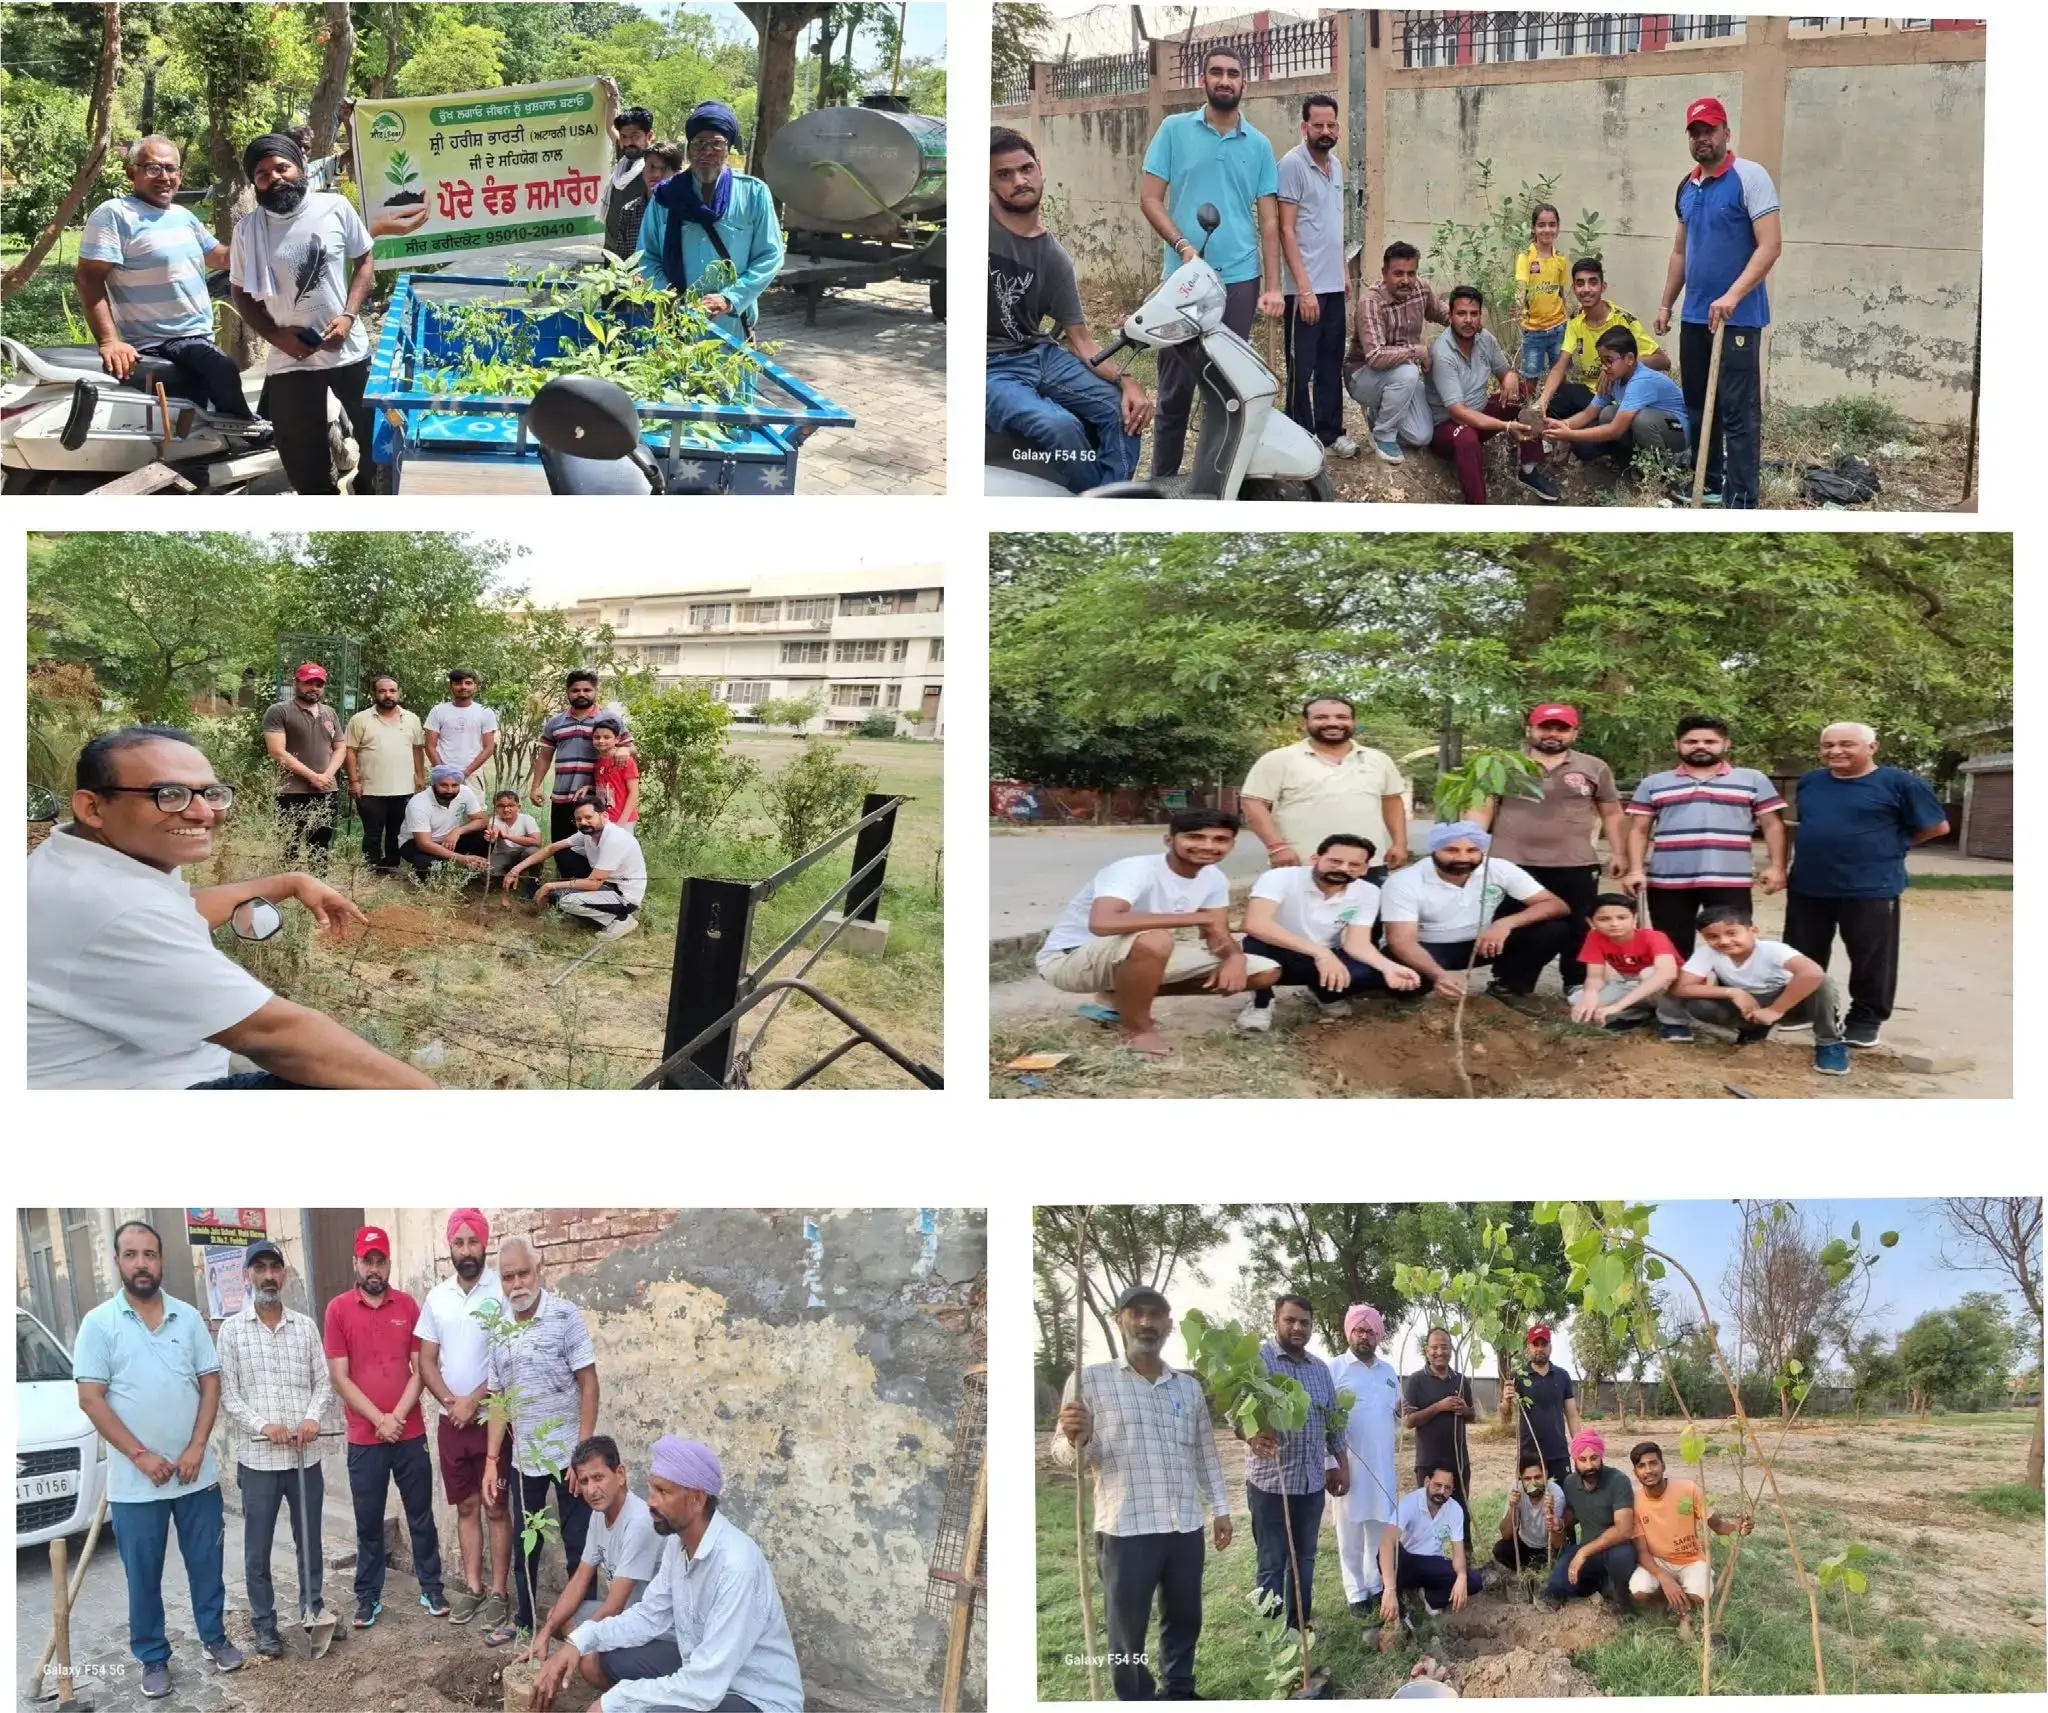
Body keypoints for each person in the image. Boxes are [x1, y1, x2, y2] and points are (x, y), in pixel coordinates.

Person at [26, 726, 433, 1089]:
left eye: (211, 793)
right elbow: (274, 1035)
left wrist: (290, 882)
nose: (202, 812)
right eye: (167, 795)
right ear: (92, 807)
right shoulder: (118, 908)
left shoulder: (76, 861)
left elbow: (180, 909)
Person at [73, 1220, 243, 1699]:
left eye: (150, 1254)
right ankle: (152, 1657)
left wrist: (195, 1447)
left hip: (196, 1475)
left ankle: (214, 1637)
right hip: (136, 1482)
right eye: (132, 1255)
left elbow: (210, 1383)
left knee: (206, 1564)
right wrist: (141, 1456)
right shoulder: (99, 1324)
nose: (142, 1264)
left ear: (162, 1261)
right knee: (142, 1574)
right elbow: (92, 1399)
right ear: (118, 1262)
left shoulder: (187, 1319)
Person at [1052, 1284, 1231, 1702]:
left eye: (1156, 1315)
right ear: (1121, 1321)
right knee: (1127, 1630)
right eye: (1138, 1314)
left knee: (1185, 1617)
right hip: (1125, 1528)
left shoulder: (1186, 1388)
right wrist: (1077, 1436)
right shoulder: (1088, 1381)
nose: (1147, 1323)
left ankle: (1180, 1690)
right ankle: (1135, 1700)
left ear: (1169, 1325)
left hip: (1184, 1524)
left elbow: (1205, 1453)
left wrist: (1221, 1509)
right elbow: (1065, 1455)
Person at [537, 1438, 804, 1713]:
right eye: (652, 1488)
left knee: (646, 1708)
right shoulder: (678, 1546)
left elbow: (704, 1686)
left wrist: (618, 1699)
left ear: (697, 1499)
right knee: (605, 1662)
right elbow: (648, 1616)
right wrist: (579, 1641)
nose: (651, 1501)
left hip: (753, 1697)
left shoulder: (736, 1566)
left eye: (663, 1492)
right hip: (702, 1670)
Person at [1139, 44, 1282, 479]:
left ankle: (1213, 483)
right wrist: (1183, 244)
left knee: (1227, 389)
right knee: (1175, 391)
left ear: (1244, 83)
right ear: (1203, 80)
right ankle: (1162, 482)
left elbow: (1270, 219)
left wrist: (1274, 286)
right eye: (1216, 72)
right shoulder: (1173, 130)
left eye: (1232, 73)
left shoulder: (1258, 145)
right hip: (1184, 280)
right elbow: (1149, 198)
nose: (1224, 80)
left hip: (1240, 279)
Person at [1033, 808, 1281, 1060]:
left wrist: (1234, 958)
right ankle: (1139, 1029)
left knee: (1263, 972)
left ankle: (1121, 996)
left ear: (1232, 844)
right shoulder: (1134, 869)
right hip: (1069, 960)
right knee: (1156, 939)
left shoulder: (1213, 878)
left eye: (1220, 839)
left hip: (1130, 957)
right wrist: (1196, 917)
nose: (1208, 846)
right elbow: (1103, 922)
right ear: (1169, 840)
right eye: (1195, 837)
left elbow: (1216, 932)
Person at [988, 128, 1149, 492]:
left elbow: (1082, 343)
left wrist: (1128, 382)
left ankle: (1111, 499)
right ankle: (1097, 507)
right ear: (990, 183)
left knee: (1121, 411)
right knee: (1059, 425)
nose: (1019, 180)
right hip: (988, 367)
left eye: (1025, 169)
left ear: (1040, 169)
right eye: (1003, 174)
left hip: (1041, 355)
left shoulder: (1054, 258)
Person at [1782, 722, 1949, 1049]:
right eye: (1827, 745)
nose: (1835, 751)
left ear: (1872, 747)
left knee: (1871, 958)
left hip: (1871, 886)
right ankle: (1803, 1007)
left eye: (1846, 744)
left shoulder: (1902, 783)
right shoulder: (1811, 782)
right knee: (1803, 952)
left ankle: (1865, 1019)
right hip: (1809, 883)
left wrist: (1895, 845)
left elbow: (1937, 826)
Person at [230, 133, 377, 494]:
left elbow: (365, 260)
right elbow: (241, 294)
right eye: (262, 174)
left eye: (282, 167)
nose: (274, 177)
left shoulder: (335, 207)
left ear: (300, 168)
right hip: (289, 359)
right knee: (303, 463)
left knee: (378, 450)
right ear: (255, 183)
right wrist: (277, 337)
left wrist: (348, 316)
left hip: (348, 351)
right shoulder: (247, 230)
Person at [1655, 96, 1782, 508]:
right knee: (1696, 408)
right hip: (1695, 318)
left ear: (1726, 132)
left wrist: (1732, 295)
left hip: (1738, 319)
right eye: (1695, 132)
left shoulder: (1750, 177)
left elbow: (1770, 246)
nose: (1702, 138)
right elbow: (1681, 252)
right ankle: (1708, 484)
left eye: (1709, 129)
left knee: (1737, 412)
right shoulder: (1687, 186)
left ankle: (1742, 498)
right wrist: (1666, 304)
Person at [216, 1238, 337, 1657]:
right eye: (260, 1268)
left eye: (275, 1268)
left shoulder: (304, 1326)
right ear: (248, 1275)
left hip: (305, 1457)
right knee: (258, 1549)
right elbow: (228, 1395)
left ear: (283, 1275)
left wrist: (311, 1418)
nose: (268, 1275)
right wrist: (264, 1426)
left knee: (310, 1541)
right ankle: (265, 1625)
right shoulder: (232, 1332)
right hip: (259, 1461)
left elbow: (323, 1382)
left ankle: (313, 1610)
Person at [78, 136, 255, 419]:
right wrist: (109, 341)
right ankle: (249, 428)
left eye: (171, 169)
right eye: (153, 168)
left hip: (197, 338)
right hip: (159, 341)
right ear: (131, 172)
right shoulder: (115, 214)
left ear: (180, 175)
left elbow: (221, 257)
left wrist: (263, 234)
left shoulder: (182, 215)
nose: (165, 177)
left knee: (197, 417)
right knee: (222, 368)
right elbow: (88, 279)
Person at [324, 1225, 446, 1628]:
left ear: (389, 1263)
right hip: (365, 1438)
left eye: (381, 1261)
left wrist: (397, 1418)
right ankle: (368, 1597)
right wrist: (379, 1420)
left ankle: (432, 1588)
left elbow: (421, 1368)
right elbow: (341, 1378)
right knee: (368, 1520)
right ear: (355, 1263)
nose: (374, 1269)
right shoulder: (338, 1310)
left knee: (420, 1516)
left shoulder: (408, 1306)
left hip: (409, 1434)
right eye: (367, 1261)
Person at [482, 1235, 601, 1647]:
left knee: (579, 1548)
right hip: (524, 1459)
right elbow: (498, 1401)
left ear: (539, 1270)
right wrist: (492, 1459)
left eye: (523, 1273)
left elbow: (588, 1384)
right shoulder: (497, 1329)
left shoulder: (565, 1316)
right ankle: (527, 1620)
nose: (516, 1284)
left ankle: (583, 1632)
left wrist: (583, 1457)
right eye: (507, 1277)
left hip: (568, 1455)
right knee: (524, 1546)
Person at [1471, 702, 1626, 1003]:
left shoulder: (1594, 767)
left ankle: (1577, 983)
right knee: (1515, 922)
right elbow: (1482, 806)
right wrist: (1472, 847)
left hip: (1575, 862)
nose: (1553, 734)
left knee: (1579, 925)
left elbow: (1612, 812)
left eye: (1561, 728)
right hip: (1511, 862)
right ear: (1530, 729)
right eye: (1545, 727)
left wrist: (1620, 853)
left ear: (1574, 733)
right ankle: (1510, 983)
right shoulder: (1502, 764)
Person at [415, 1210, 512, 1633]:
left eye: (474, 1242)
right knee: (467, 1506)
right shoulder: (437, 1298)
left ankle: (499, 1592)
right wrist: (452, 1401)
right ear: (449, 1247)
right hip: (450, 1422)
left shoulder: (502, 1289)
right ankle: (472, 1588)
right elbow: (425, 1360)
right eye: (459, 1243)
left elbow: (509, 1355)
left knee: (496, 1506)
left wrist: (475, 1400)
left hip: (494, 1418)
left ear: (484, 1244)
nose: (467, 1251)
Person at [1624, 714, 1789, 958]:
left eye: (1709, 741)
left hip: (1729, 880)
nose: (1700, 746)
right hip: (1668, 881)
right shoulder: (1654, 783)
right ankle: (1677, 995)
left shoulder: (1753, 779)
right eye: (1691, 741)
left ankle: (1730, 995)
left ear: (1726, 744)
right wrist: (1635, 870)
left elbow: (1772, 825)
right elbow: (1639, 830)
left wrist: (1777, 867)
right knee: (1671, 948)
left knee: (1733, 946)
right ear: (1677, 745)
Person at [523, 1436, 666, 1698]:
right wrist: (545, 1633)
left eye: (598, 1478)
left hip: (653, 1627)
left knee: (588, 1662)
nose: (591, 1490)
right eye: (585, 1481)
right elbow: (580, 1578)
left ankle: (637, 1698)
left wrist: (572, 1647)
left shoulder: (638, 1523)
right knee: (560, 1616)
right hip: (626, 1616)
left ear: (620, 1474)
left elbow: (614, 1605)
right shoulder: (600, 1517)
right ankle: (624, 1684)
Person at [1237, 833, 1421, 1031]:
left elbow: (1357, 943)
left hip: (1323, 955)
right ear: (1315, 859)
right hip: (1276, 948)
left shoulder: (1368, 892)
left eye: (1354, 865)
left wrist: (1389, 967)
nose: (1343, 868)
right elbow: (1255, 924)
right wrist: (1321, 953)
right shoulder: (1280, 877)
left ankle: (1324, 993)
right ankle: (1261, 1003)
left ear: (1365, 869)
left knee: (1368, 972)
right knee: (1255, 947)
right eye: (1335, 861)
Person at [1380, 823, 1574, 1010]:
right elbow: (1401, 941)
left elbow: (1557, 905)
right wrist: (1439, 975)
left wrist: (1505, 924)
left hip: (1483, 943)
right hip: (1430, 948)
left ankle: (1509, 988)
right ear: (1433, 851)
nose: (1463, 857)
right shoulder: (1404, 882)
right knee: (1399, 980)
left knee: (1555, 930)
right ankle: (1410, 997)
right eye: (1451, 850)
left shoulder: (1499, 868)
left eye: (1472, 850)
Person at [638, 101, 784, 344]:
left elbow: (770, 256)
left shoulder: (754, 194)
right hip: (676, 323)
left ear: (728, 149)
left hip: (732, 325)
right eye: (699, 144)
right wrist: (670, 297)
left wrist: (730, 299)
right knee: (674, 381)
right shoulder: (666, 197)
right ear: (689, 149)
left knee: (731, 382)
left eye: (716, 144)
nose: (706, 152)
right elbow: (646, 256)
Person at [1244, 1296, 1348, 1631]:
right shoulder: (1258, 1362)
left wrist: (1341, 1464)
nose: (1297, 1327)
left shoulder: (1319, 1370)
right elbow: (1236, 1411)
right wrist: (1249, 1436)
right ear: (1276, 1320)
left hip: (1311, 1483)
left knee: (1304, 1560)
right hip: (1270, 1485)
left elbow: (1333, 1421)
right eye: (1290, 1320)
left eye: (1304, 1321)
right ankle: (1273, 1639)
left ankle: (1299, 1626)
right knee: (1272, 1564)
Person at [1657, 905, 1851, 1075]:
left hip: (1789, 1003)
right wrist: (1733, 992)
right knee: (1699, 1004)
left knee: (1822, 981)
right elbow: (1681, 988)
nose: (1723, 941)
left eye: (1732, 933)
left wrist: (1775, 1010)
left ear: (1753, 931)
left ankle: (1829, 1042)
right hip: (1747, 1006)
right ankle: (1752, 1029)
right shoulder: (1709, 953)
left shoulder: (1772, 949)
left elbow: (1812, 973)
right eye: (1712, 937)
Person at [1242, 697, 1409, 883]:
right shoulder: (1279, 760)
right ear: (1305, 723)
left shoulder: (1378, 760)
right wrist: (1277, 847)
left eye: (1341, 717)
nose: (1333, 723)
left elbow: (1391, 801)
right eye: (1321, 717)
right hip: (1301, 864)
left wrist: (1400, 844)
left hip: (1366, 865)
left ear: (1353, 722)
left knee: (1368, 912)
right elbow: (1254, 803)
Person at [1277, 95, 1357, 457]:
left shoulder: (1336, 166)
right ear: (1304, 127)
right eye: (1318, 125)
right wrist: (1305, 291)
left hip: (1333, 285)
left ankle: (1330, 432)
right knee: (1301, 366)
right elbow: (1286, 230)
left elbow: (1332, 224)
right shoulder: (1292, 166)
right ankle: (1298, 438)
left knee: (1329, 361)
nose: (1325, 132)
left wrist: (1342, 271)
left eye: (1331, 125)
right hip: (1304, 291)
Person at [1427, 285, 1555, 504]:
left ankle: (1529, 468)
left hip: (1480, 413)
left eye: (1473, 314)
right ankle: (1479, 509)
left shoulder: (1485, 339)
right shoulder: (1442, 353)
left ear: (1480, 315)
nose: (1468, 320)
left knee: (1525, 391)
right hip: (1448, 429)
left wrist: (1510, 377)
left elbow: (1505, 372)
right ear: (1450, 316)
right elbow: (1458, 413)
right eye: (1461, 314)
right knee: (1466, 436)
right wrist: (1505, 427)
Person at [1531, 254, 1670, 426]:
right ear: (1574, 288)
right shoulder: (1575, 323)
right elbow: (1560, 366)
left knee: (1588, 443)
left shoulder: (1623, 320)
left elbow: (1663, 361)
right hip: (1593, 394)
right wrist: (1542, 401)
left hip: (1621, 396)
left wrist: (1616, 368)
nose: (1586, 289)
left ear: (1603, 287)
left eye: (1593, 282)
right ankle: (1564, 442)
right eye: (1580, 283)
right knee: (1557, 398)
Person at [1628, 1440, 1752, 1634]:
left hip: (1690, 1559)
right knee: (1639, 1592)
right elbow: (1642, 1551)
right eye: (1641, 1466)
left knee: (1702, 1596)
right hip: (1658, 1561)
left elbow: (1718, 1526)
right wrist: (1663, 1576)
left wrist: (1738, 1527)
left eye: (1653, 1463)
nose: (1648, 1470)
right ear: (1635, 1472)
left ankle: (1682, 1606)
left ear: (1663, 1466)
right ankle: (1668, 1604)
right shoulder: (1635, 1502)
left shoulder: (1688, 1489)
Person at [1328, 1304, 1403, 1615]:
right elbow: (1325, 1420)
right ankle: (1355, 1592)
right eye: (1359, 1330)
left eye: (1370, 1331)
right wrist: (1331, 1464)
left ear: (1378, 1336)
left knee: (1378, 1528)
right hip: (1348, 1465)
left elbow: (1397, 1410)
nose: (1364, 1336)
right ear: (1349, 1333)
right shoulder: (1334, 1369)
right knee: (1349, 1532)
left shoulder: (1388, 1372)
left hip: (1382, 1465)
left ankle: (1374, 1585)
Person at [1348, 241, 1452, 463]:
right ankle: (1383, 435)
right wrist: (1416, 351)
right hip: (1363, 377)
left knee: (1421, 436)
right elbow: (1375, 357)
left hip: (1401, 377)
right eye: (1398, 273)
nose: (1405, 280)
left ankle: (1377, 415)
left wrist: (1465, 321)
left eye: (1411, 273)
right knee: (1408, 371)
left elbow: (1441, 313)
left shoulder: (1421, 289)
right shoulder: (1371, 302)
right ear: (1384, 273)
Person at [530, 670, 634, 879]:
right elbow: (544, 756)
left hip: (595, 798)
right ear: (568, 693)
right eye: (576, 690)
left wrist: (625, 748)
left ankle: (597, 885)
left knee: (596, 843)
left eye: (587, 690)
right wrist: (536, 786)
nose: (581, 694)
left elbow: (629, 748)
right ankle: (566, 884)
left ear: (595, 691)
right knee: (562, 844)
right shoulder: (556, 722)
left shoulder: (609, 718)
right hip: (562, 794)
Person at [1542, 326, 1690, 469]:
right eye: (1602, 361)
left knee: (1643, 420)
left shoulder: (1641, 381)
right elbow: (1589, 413)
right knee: (1608, 413)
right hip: (1654, 429)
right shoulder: (1614, 378)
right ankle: (1633, 462)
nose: (1604, 367)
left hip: (1678, 434)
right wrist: (1564, 424)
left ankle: (1664, 470)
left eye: (1609, 361)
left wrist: (1570, 434)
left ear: (1630, 359)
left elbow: (1615, 430)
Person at [503, 796, 648, 938]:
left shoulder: (615, 839)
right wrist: (515, 870)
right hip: (606, 884)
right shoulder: (586, 834)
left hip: (623, 896)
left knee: (565, 900)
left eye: (588, 817)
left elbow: (594, 883)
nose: (583, 822)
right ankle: (600, 910)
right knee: (556, 891)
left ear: (604, 816)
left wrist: (549, 885)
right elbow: (551, 848)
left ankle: (621, 919)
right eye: (578, 819)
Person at [263, 662, 347, 865]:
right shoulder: (279, 711)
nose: (314, 688)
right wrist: (313, 777)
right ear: (296, 683)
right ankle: (288, 886)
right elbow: (277, 751)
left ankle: (318, 885)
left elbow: (341, 747)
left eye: (319, 684)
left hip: (326, 790)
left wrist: (327, 776)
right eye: (308, 683)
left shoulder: (330, 713)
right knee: (289, 842)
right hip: (291, 791)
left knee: (321, 843)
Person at [1545, 1431, 1637, 1611]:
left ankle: (1624, 1604)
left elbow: (1624, 1530)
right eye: (1583, 1459)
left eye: (1594, 1458)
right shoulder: (1571, 1483)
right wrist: (1560, 1523)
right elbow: (1573, 1512)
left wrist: (1583, 1552)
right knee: (1558, 1584)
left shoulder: (1618, 1481)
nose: (1589, 1465)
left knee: (1622, 1558)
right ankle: (1601, 1586)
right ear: (1575, 1461)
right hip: (1589, 1550)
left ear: (1602, 1456)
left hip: (1616, 1547)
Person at [345, 675, 426, 875]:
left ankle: (391, 865)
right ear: (374, 694)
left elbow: (417, 749)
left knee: (396, 832)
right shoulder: (360, 719)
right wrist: (354, 780)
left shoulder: (411, 719)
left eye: (392, 691)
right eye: (382, 691)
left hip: (403, 787)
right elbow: (350, 751)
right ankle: (371, 866)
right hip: (370, 788)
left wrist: (420, 777)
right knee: (372, 833)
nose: (387, 695)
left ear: (398, 693)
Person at [1379, 1464, 1482, 1622]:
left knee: (1474, 1581)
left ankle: (1428, 1597)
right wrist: (1389, 1589)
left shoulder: (1455, 1509)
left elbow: (1458, 1552)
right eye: (1437, 1485)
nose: (1441, 1491)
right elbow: (1386, 1541)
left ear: (1453, 1489)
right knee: (1389, 1551)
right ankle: (1397, 1598)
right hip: (1407, 1563)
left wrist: (1461, 1576)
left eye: (1447, 1488)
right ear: (1427, 1481)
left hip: (1433, 1564)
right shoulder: (1411, 1502)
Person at [1402, 1328, 1475, 1548]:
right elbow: (1409, 1421)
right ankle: (1423, 1556)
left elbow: (1472, 1416)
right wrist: (1438, 1407)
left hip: (1458, 1461)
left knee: (1461, 1510)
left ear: (1451, 1350)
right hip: (1428, 1461)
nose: (1439, 1352)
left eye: (1444, 1346)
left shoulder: (1461, 1381)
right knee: (1426, 1512)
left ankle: (1465, 1558)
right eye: (1434, 1347)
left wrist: (1465, 1410)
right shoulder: (1416, 1380)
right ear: (1427, 1351)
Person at [1571, 894, 1682, 1030]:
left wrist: (1618, 1006)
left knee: (1649, 973)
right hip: (1634, 983)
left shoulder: (1654, 937)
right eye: (1604, 919)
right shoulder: (1595, 936)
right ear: (1591, 922)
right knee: (1578, 1000)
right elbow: (1595, 977)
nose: (1614, 924)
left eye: (1622, 918)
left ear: (1634, 918)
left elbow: (1667, 973)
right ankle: (1640, 1014)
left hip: (1673, 987)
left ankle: (1673, 1022)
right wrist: (1589, 995)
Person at [1512, 1326, 1582, 1486]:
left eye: (1544, 1344)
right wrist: (1505, 1400)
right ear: (1528, 1347)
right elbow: (1505, 1413)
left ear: (1550, 1346)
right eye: (1535, 1344)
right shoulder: (1518, 1376)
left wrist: (1579, 1448)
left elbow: (1572, 1415)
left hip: (1558, 1452)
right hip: (1529, 1454)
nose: (1540, 1349)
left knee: (1562, 1500)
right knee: (1530, 1501)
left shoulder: (1562, 1376)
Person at [1513, 203, 1571, 389]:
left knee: (1560, 373)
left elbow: (1562, 292)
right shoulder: (1526, 257)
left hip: (1558, 328)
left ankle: (1560, 408)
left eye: (1552, 224)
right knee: (1530, 377)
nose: (1547, 230)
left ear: (1558, 228)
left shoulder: (1560, 259)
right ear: (1534, 227)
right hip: (1533, 330)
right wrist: (1517, 305)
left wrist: (1569, 320)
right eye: (1542, 225)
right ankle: (1529, 410)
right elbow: (1521, 287)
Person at [398, 766, 491, 881]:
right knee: (427, 865)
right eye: (444, 785)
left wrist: (458, 831)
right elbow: (424, 843)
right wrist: (461, 858)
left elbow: (482, 820)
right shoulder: (418, 803)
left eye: (455, 785)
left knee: (485, 836)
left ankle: (476, 874)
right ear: (434, 784)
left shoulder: (465, 792)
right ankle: (430, 881)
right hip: (417, 843)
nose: (450, 790)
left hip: (449, 840)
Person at [601, 84, 657, 258]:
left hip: (639, 257)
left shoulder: (655, 165)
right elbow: (611, 127)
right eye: (624, 137)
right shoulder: (626, 159)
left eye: (635, 136)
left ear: (649, 136)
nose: (628, 142)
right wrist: (613, 96)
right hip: (612, 252)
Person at [424, 669, 501, 786]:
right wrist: (444, 773)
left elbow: (488, 748)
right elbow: (430, 746)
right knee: (441, 805)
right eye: (458, 683)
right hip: (442, 775)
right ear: (451, 687)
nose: (463, 687)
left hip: (472, 775)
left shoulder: (485, 712)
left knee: (473, 805)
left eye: (468, 683)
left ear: (476, 687)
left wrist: (465, 773)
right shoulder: (438, 711)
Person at [1494, 1456, 1567, 1577]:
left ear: (1546, 1474)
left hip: (1546, 1548)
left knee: (1556, 1563)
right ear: (1521, 1479)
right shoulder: (1517, 1490)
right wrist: (1513, 1507)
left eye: (1538, 1477)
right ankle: (1525, 1570)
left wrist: (1551, 1514)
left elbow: (1557, 1544)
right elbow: (1505, 1534)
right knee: (1500, 1550)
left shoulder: (1555, 1494)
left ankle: (1536, 1569)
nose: (1533, 1483)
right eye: (1527, 1479)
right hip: (1524, 1543)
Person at [485, 790, 544, 884]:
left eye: (510, 805)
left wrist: (507, 836)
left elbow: (537, 841)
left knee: (533, 851)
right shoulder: (494, 819)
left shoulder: (527, 819)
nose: (506, 809)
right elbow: (493, 829)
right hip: (502, 855)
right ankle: (508, 874)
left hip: (523, 855)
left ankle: (534, 880)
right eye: (501, 806)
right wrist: (492, 835)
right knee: (489, 874)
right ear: (495, 808)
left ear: (518, 807)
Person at [590, 716, 641, 824]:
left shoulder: (625, 761)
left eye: (606, 737)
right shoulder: (598, 762)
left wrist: (622, 821)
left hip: (623, 820)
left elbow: (634, 792)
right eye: (597, 737)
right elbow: (608, 787)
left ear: (617, 739)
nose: (601, 740)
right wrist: (589, 787)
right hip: (604, 819)